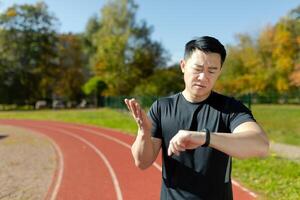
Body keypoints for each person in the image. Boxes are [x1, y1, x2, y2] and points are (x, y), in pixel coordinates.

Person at [124, 36, 269, 200]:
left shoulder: (230, 108)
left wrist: (204, 137)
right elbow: (142, 162)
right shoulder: (162, 107)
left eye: (212, 71)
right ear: (183, 66)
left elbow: (261, 145)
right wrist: (144, 132)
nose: (203, 77)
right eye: (198, 69)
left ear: (219, 72)